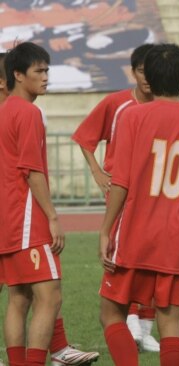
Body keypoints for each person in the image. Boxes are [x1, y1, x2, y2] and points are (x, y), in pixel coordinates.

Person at [97, 43, 179, 366]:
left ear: (148, 76)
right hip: (176, 237)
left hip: (135, 233)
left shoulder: (133, 116)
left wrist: (106, 229)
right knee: (171, 322)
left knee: (111, 314)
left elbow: (120, 181)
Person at [0, 51, 100, 366]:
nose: (45, 76)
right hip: (26, 217)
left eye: (47, 70)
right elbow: (31, 170)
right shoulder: (27, 113)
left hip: (8, 217)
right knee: (50, 295)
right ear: (17, 74)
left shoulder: (4, 111)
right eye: (38, 70)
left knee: (19, 297)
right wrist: (53, 217)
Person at [72, 43, 161, 353]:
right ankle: (130, 316)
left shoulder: (166, 105)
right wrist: (97, 170)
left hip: (155, 195)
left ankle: (145, 327)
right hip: (122, 194)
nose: (147, 77)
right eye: (141, 71)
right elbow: (85, 137)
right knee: (122, 255)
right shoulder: (116, 103)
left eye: (152, 70)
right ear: (132, 71)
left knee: (154, 259)